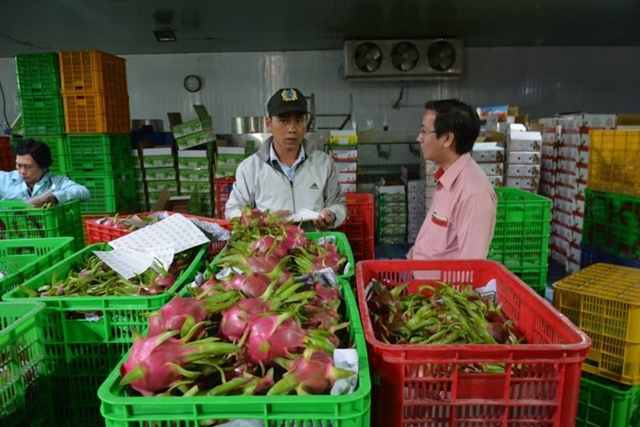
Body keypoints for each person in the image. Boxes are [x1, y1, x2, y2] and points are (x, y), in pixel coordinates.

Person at [225, 87, 347, 229]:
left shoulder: (324, 163)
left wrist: (331, 214)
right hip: (271, 248)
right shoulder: (250, 168)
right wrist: (262, 220)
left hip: (313, 245)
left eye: (299, 120)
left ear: (306, 123)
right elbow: (232, 210)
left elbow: (338, 203)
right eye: (283, 121)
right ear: (268, 123)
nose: (292, 129)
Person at [407, 99, 497, 260]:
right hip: (421, 281)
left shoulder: (473, 193)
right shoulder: (446, 177)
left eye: (424, 131)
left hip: (440, 285)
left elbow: (470, 267)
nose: (419, 138)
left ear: (447, 139)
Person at [0, 139, 90, 207]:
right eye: (18, 165)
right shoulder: (5, 179)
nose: (22, 171)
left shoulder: (57, 182)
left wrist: (54, 197)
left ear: (44, 166)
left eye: (28, 167)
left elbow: (84, 192)